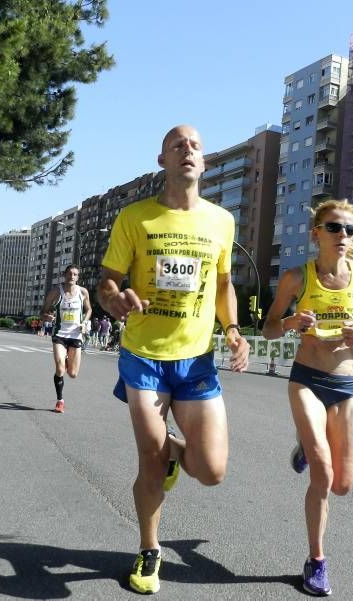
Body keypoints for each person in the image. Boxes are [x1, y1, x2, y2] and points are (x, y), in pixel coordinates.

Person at [98, 125, 250, 595]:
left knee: (211, 471)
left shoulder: (222, 221)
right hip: (144, 355)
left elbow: (224, 283)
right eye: (177, 145)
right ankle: (149, 548)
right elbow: (106, 281)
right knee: (149, 461)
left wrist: (232, 329)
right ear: (162, 160)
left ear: (203, 164)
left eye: (196, 146)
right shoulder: (134, 217)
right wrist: (114, 298)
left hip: (197, 358)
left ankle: (175, 456)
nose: (188, 150)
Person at [263, 198, 353, 596]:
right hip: (306, 379)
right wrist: (289, 322)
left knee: (342, 485)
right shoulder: (296, 278)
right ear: (316, 233)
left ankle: (307, 444)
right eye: (335, 228)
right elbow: (268, 328)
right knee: (322, 474)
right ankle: (316, 561)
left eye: (349, 230)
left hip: (346, 387)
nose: (343, 236)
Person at [41, 264, 92, 414]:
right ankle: (60, 401)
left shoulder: (83, 292)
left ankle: (68, 360)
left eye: (75, 274)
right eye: (69, 273)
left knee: (73, 374)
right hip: (60, 334)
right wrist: (47, 316)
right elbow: (43, 311)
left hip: (76, 335)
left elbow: (89, 309)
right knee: (60, 368)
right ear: (65, 275)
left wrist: (84, 322)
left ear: (78, 277)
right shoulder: (56, 292)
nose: (72, 276)